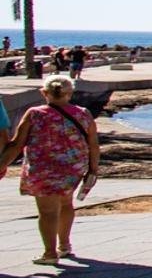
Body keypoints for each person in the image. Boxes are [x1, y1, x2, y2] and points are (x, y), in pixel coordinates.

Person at [0, 76, 100, 265]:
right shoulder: (83, 114)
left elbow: (16, 144)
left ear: (44, 93)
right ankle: (64, 245)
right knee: (66, 204)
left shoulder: (34, 114)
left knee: (47, 212)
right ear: (70, 93)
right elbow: (93, 144)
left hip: (43, 169)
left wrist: (2, 164)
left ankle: (50, 253)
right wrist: (93, 169)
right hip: (73, 168)